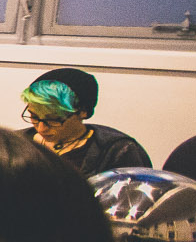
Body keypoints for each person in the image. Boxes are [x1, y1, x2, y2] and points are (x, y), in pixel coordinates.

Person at [21, 67, 151, 176]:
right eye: (34, 117)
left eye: (54, 119)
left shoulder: (116, 151)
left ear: (82, 112)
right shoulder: (19, 143)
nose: (41, 128)